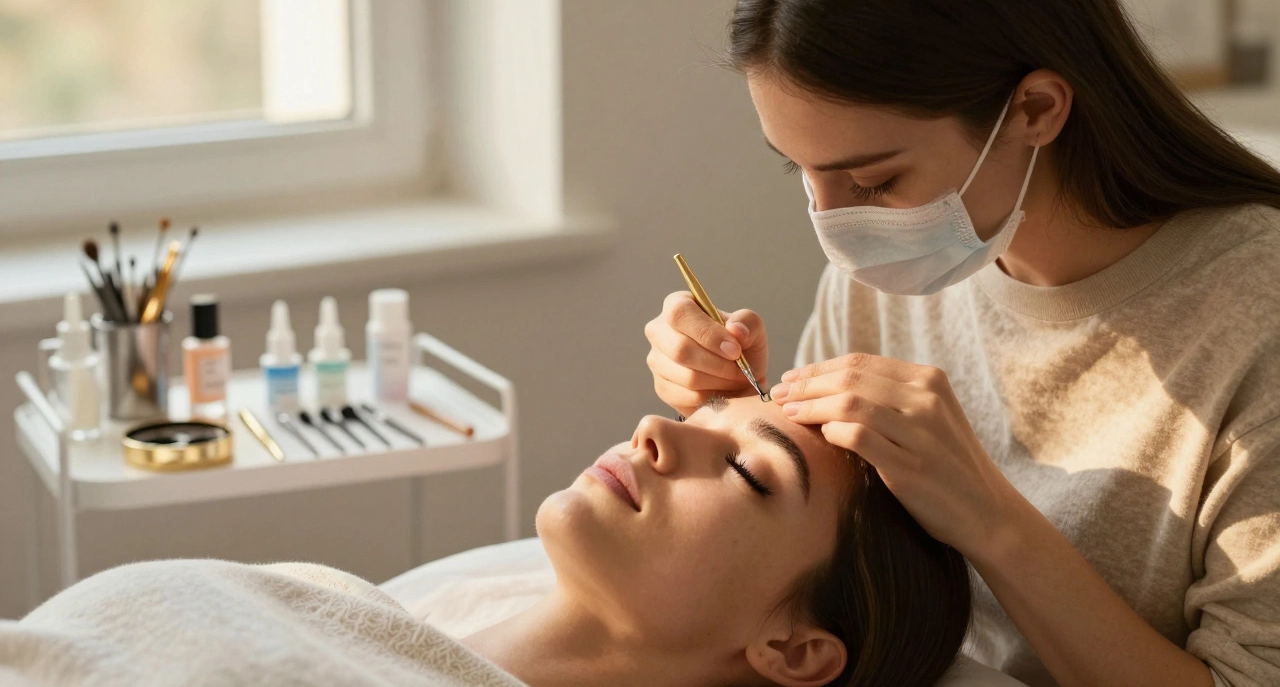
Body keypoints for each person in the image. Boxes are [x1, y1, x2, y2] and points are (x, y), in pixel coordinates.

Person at [644, 0, 1280, 686]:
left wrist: (990, 519)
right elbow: (840, 567)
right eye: (801, 170)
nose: (834, 227)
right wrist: (730, 410)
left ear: (1036, 109)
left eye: (875, 182)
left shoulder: (1259, 320)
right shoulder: (888, 275)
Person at [1, 396, 978, 687]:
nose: (655, 431)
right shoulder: (367, 617)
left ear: (793, 647)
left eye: (742, 470)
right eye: (706, 414)